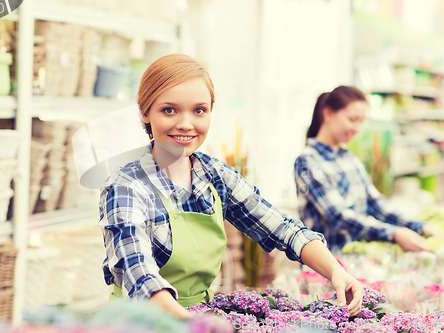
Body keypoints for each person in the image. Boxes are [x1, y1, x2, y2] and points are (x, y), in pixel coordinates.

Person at [100, 55, 363, 320]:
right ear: (145, 112)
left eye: (199, 110)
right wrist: (194, 323)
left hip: (197, 318)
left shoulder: (215, 176)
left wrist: (335, 270)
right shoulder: (127, 187)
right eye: (169, 110)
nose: (186, 123)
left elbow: (282, 229)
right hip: (139, 321)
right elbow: (140, 276)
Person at [294, 85, 444, 253]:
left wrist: (419, 227)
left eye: (361, 121)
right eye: (352, 119)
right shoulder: (308, 161)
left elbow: (375, 204)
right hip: (324, 267)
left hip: (354, 260)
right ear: (328, 113)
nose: (357, 129)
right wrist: (394, 233)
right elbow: (339, 216)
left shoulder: (350, 158)